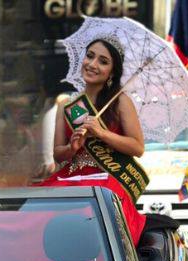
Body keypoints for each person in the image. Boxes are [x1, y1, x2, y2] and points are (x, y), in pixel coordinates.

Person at [39, 37, 146, 245]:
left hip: (109, 179)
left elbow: (138, 147)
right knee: (35, 213)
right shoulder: (68, 104)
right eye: (90, 56)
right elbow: (57, 154)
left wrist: (102, 133)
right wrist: (72, 148)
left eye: (103, 61)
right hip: (71, 177)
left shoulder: (121, 101)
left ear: (112, 73)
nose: (93, 64)